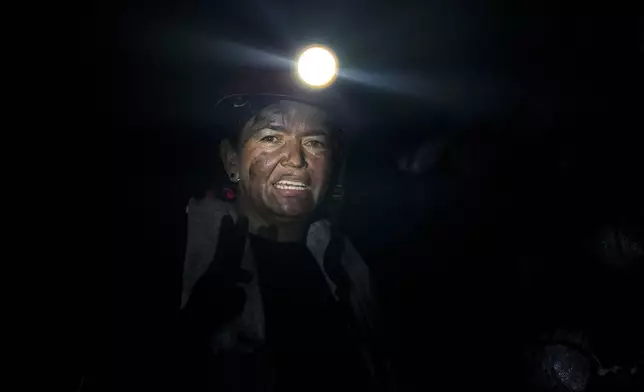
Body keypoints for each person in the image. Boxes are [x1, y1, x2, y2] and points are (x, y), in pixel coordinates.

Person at [178, 93, 389, 392]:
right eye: (271, 137)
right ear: (232, 160)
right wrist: (191, 332)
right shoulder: (176, 250)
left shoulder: (352, 266)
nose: (296, 159)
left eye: (315, 143)